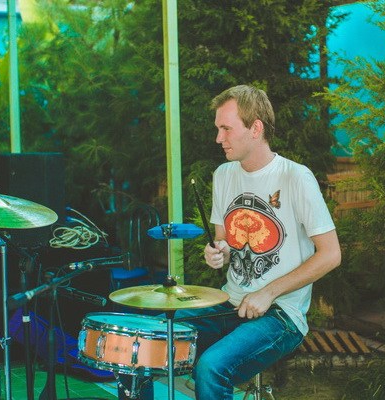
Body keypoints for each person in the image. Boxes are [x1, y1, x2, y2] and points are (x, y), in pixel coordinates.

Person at [117, 84, 341, 399]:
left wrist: (268, 292)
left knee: (211, 368)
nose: (218, 138)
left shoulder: (295, 177)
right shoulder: (224, 175)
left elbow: (330, 254)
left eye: (226, 129)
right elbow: (224, 240)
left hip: (281, 314)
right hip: (230, 303)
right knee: (141, 344)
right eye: (218, 129)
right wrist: (218, 252)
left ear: (256, 129)